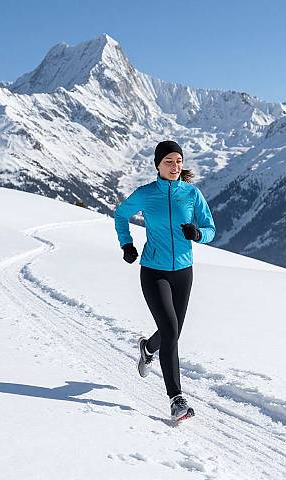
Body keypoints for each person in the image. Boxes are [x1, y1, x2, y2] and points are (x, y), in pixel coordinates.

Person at [114, 140, 215, 421]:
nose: (175, 166)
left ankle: (148, 349)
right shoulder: (146, 194)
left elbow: (210, 229)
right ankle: (176, 399)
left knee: (172, 331)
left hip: (184, 272)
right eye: (169, 162)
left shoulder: (192, 194)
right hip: (153, 270)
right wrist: (126, 244)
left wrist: (198, 234)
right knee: (170, 330)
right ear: (158, 165)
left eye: (179, 161)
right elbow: (121, 215)